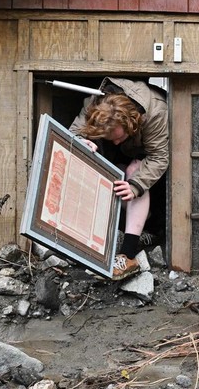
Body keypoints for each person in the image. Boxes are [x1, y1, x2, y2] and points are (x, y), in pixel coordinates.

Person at [69, 77, 168, 280]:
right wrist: (82, 142)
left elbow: (159, 157)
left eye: (117, 137)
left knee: (134, 172)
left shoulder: (156, 111)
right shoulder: (93, 104)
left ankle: (129, 254)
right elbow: (73, 133)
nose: (113, 142)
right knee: (113, 170)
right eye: (109, 138)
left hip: (147, 151)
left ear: (130, 121)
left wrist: (135, 187)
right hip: (124, 153)